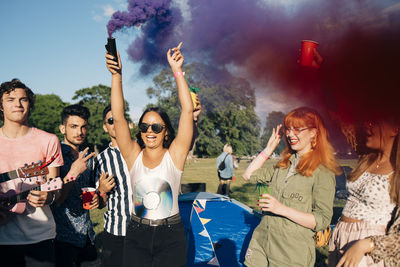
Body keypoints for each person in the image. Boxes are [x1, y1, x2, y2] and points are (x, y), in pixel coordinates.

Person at [106, 42, 193, 267]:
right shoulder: (133, 154)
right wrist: (117, 75)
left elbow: (187, 110)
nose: (150, 132)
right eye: (145, 127)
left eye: (156, 127)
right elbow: (118, 116)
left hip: (171, 235)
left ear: (166, 132)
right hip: (137, 234)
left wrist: (177, 70)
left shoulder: (175, 155)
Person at [242, 106, 341, 266]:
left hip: (290, 253)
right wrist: (268, 149)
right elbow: (248, 175)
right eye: (288, 129)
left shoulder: (323, 172)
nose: (289, 134)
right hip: (261, 244)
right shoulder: (283, 165)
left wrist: (280, 208)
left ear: (313, 133)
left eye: (297, 129)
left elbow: (322, 220)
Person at [0, 79, 64, 267]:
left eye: (23, 99)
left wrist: (49, 196)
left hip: (39, 236)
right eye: (10, 99)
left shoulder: (49, 141)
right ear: (1, 106)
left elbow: (56, 189)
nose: (18, 104)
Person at [328, 118, 399, 267]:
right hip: (340, 238)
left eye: (375, 122)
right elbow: (344, 122)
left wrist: (365, 245)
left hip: (368, 248)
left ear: (395, 129)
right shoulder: (366, 158)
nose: (367, 124)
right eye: (367, 120)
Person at [51, 104, 101, 267]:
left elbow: (94, 192)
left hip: (87, 236)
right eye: (73, 126)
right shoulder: (53, 156)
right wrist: (73, 172)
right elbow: (55, 200)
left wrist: (99, 197)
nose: (79, 132)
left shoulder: (88, 158)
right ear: (62, 128)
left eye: (83, 127)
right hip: (62, 238)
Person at [93, 105, 130, 267]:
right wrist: (101, 190)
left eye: (120, 118)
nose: (116, 123)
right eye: (110, 120)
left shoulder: (144, 151)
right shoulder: (101, 160)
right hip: (116, 232)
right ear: (105, 127)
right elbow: (100, 205)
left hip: (146, 231)